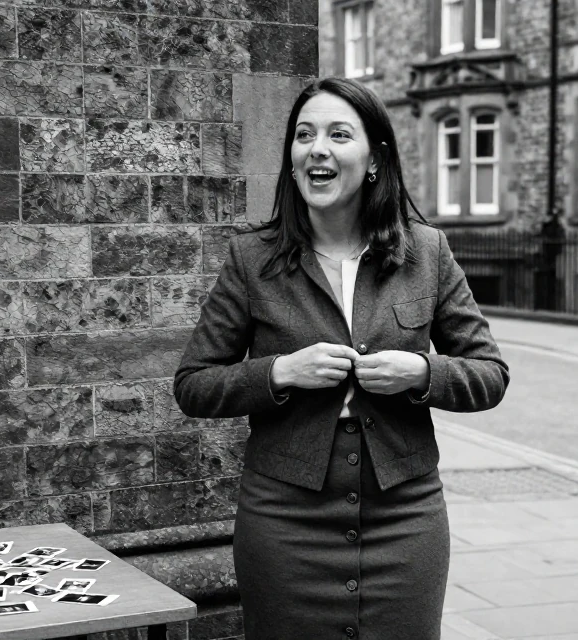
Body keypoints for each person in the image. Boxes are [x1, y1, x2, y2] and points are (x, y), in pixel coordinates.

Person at [173, 77, 509, 639]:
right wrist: (280, 372)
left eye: (337, 134)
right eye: (304, 135)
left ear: (374, 157)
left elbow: (490, 374)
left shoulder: (426, 253)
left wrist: (421, 373)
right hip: (285, 520)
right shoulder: (252, 258)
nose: (317, 148)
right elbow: (194, 384)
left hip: (405, 516)